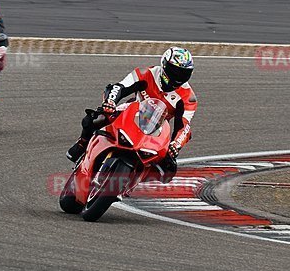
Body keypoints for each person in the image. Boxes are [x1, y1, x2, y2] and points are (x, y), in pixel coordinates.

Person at [66, 47, 197, 182]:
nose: (178, 77)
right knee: (96, 119)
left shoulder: (188, 98)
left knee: (169, 169)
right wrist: (110, 102)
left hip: (156, 129)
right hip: (130, 112)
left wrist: (175, 145)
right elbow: (119, 87)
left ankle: (136, 179)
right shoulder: (146, 73)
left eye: (183, 73)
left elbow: (184, 127)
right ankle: (83, 143)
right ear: (164, 65)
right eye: (174, 71)